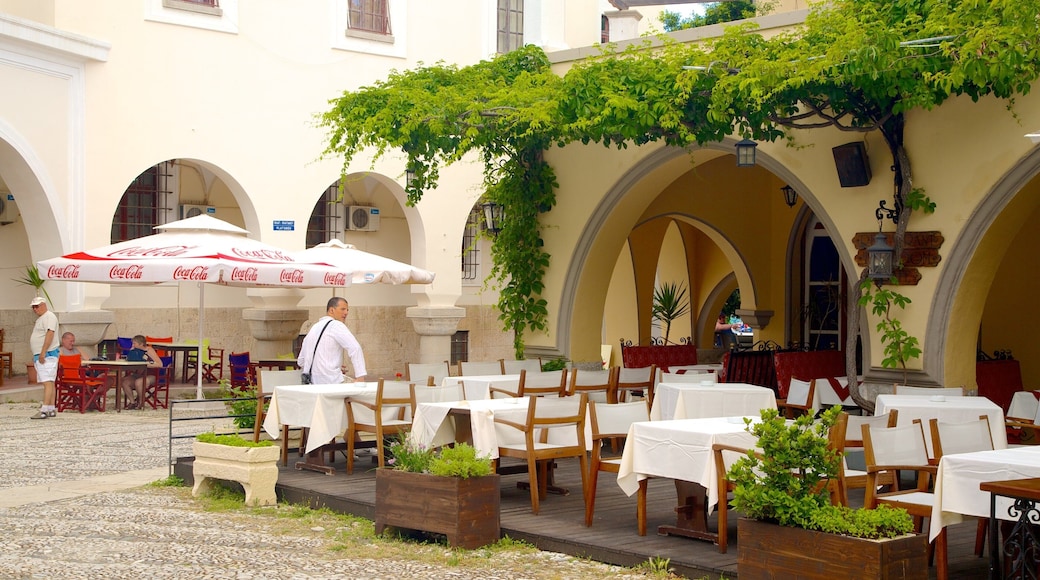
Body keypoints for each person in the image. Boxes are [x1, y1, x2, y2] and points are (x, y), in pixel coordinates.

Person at [297, 297, 367, 384]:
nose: (346, 313)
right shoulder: (336, 325)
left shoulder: (314, 328)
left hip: (311, 383)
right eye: (343, 309)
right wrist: (360, 377)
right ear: (331, 310)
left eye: (347, 310)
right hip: (331, 382)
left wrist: (326, 365)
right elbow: (355, 348)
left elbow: (301, 361)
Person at [29, 297, 60, 420]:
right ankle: (51, 408)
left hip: (47, 355)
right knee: (50, 382)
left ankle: (44, 409)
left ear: (44, 305)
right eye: (33, 307)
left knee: (47, 381)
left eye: (37, 306)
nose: (35, 309)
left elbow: (50, 333)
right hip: (44, 354)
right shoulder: (43, 318)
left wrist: (43, 352)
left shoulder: (49, 317)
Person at [120, 335, 163, 410]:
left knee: (139, 382)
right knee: (124, 381)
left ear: (141, 344)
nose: (133, 345)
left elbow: (159, 364)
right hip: (138, 374)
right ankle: (132, 402)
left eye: (134, 344)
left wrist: (146, 364)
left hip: (150, 375)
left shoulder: (149, 350)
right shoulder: (134, 351)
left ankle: (141, 402)